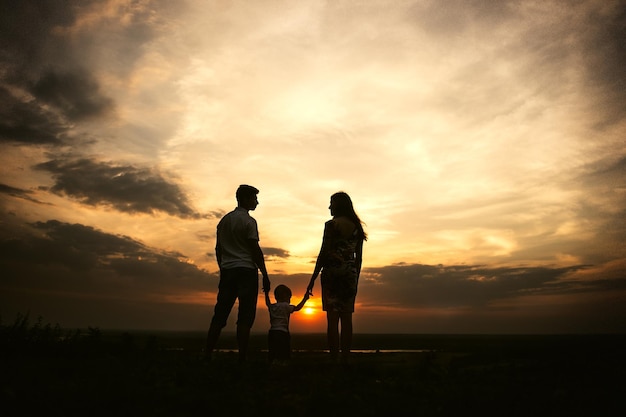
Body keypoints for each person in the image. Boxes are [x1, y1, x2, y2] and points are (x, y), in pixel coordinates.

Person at [205, 184, 271, 363]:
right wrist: (264, 274)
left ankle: (207, 353)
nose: (257, 202)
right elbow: (254, 249)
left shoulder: (224, 221)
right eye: (254, 198)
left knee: (220, 314)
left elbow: (218, 249)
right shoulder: (249, 222)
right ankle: (242, 357)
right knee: (245, 315)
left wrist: (223, 266)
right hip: (246, 271)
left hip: (228, 271)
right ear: (245, 199)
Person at [307, 192, 366, 365]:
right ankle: (345, 358)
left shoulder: (331, 225)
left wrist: (312, 278)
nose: (329, 207)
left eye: (331, 203)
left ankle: (334, 358)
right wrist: (355, 277)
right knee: (347, 318)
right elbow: (359, 259)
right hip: (350, 274)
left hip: (332, 273)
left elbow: (323, 252)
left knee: (332, 319)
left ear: (338, 205)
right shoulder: (357, 228)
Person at [264, 284, 309, 364]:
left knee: (273, 352)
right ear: (285, 296)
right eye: (289, 297)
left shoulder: (272, 306)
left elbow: (267, 302)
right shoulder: (286, 306)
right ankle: (283, 365)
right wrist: (305, 299)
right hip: (283, 333)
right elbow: (298, 308)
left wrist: (266, 293)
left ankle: (273, 366)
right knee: (284, 352)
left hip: (272, 332)